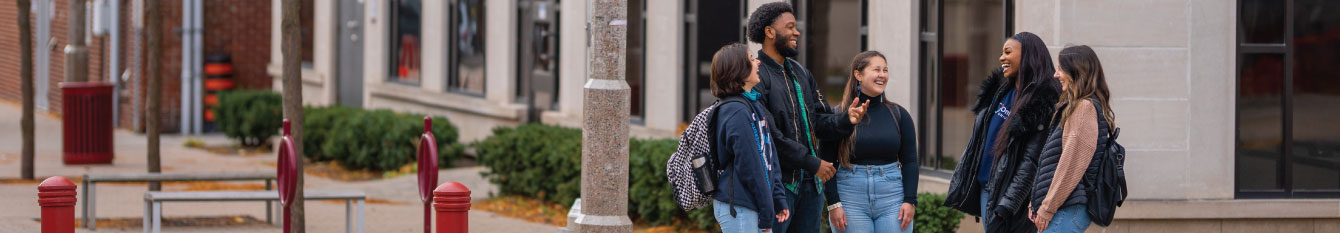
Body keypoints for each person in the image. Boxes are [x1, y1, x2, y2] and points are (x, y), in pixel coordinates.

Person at [746, 3, 869, 232]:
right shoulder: (756, 77)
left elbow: (819, 122)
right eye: (790, 27)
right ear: (770, 32)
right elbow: (769, 137)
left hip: (811, 187)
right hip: (778, 187)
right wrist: (813, 163)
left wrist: (846, 119)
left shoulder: (801, 72)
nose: (797, 32)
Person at [943, 31, 1061, 233]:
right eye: (1002, 53)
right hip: (987, 189)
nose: (1001, 58)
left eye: (1008, 52)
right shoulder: (1001, 91)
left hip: (1013, 200)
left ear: (1028, 56)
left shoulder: (1042, 101)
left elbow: (1031, 162)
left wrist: (1006, 207)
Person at [820, 51, 919, 233]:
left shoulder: (899, 115)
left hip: (892, 197)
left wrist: (910, 200)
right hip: (850, 197)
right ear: (858, 75)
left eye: (885, 70)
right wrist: (833, 204)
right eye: (876, 69)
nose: (882, 74)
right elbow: (827, 164)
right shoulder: (837, 117)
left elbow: (910, 161)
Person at [1027, 45, 1116, 233]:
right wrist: (1036, 200)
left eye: (1060, 68)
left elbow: (1071, 165)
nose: (1055, 75)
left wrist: (1047, 207)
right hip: (1064, 208)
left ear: (1076, 70)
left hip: (1067, 210)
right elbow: (1052, 161)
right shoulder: (1075, 106)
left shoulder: (1084, 108)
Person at [709, 43, 791, 233]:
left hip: (751, 205)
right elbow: (750, 164)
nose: (758, 62)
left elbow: (769, 156)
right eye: (751, 59)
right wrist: (767, 211)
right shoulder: (736, 111)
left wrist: (777, 198)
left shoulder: (752, 104)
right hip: (740, 208)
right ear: (737, 69)